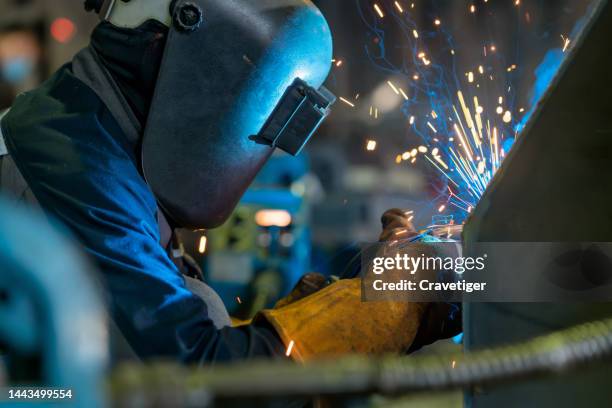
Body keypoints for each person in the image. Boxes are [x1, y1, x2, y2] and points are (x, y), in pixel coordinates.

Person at [0, 0, 456, 364]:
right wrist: (396, 306)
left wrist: (317, 314)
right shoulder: (77, 168)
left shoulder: (93, 139)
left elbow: (168, 343)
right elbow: (199, 381)